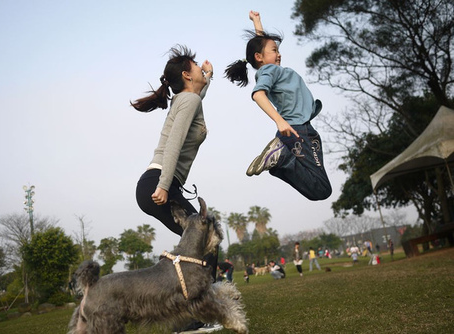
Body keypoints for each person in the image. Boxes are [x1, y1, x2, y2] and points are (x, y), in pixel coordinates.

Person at [131, 45, 222, 334]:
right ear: (186, 74)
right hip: (159, 183)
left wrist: (207, 75)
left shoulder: (188, 99)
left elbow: (198, 96)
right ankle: (195, 316)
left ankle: (188, 314)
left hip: (159, 182)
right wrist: (164, 186)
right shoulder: (188, 101)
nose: (199, 70)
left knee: (198, 243)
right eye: (196, 67)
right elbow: (172, 146)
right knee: (206, 237)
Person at [224, 11, 332, 201]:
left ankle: (280, 160)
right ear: (259, 57)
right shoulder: (270, 70)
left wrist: (257, 23)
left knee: (318, 189)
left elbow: (262, 47)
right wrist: (279, 121)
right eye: (274, 50)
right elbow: (258, 95)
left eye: (278, 50)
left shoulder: (272, 69)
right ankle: (282, 157)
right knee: (321, 189)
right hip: (298, 129)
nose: (279, 54)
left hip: (296, 130)